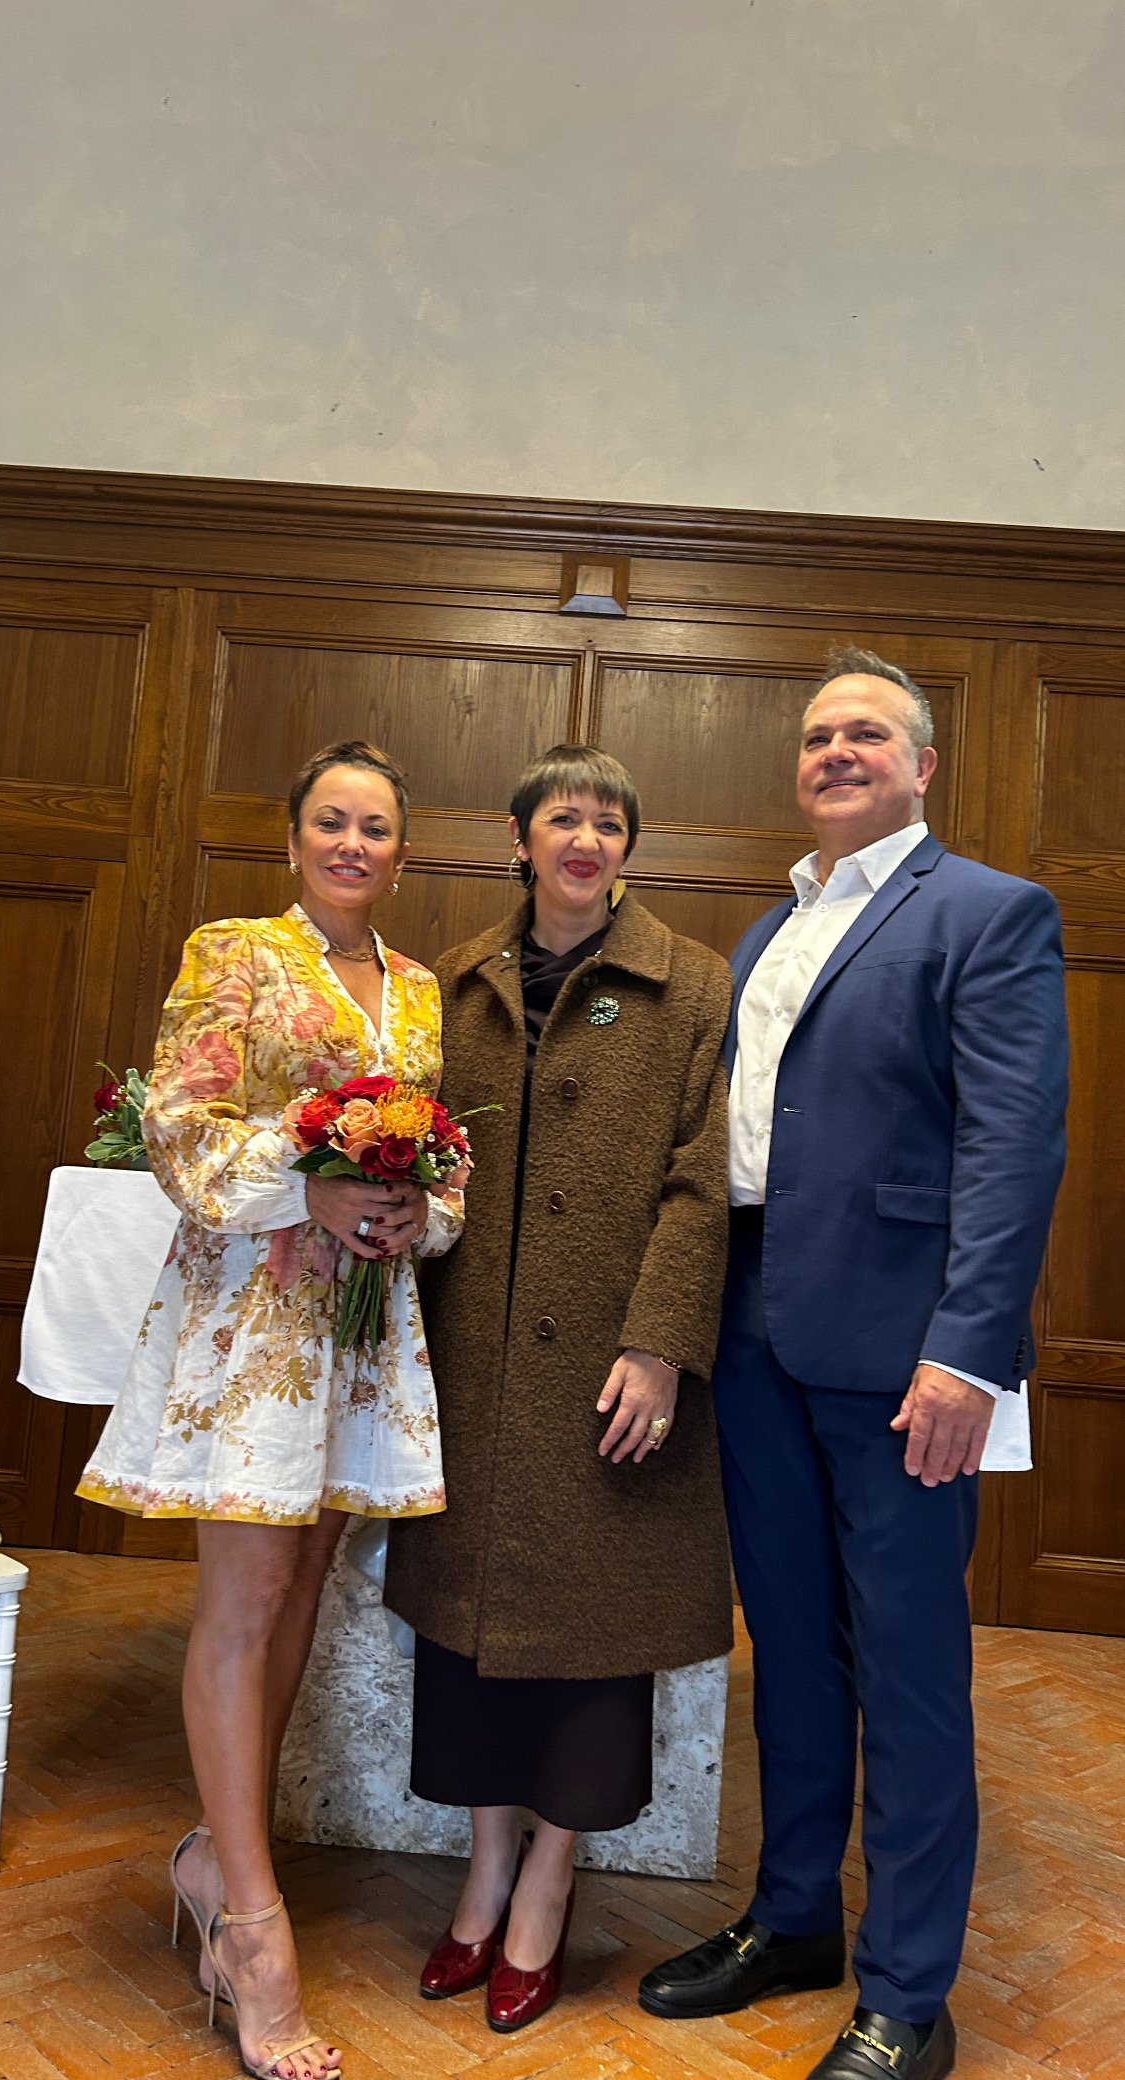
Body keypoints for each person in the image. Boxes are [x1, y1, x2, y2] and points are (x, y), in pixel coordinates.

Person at [639, 650, 1068, 2080]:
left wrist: (968, 1356)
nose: (836, 752)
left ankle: (906, 1992)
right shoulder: (770, 931)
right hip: (752, 1329)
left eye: (865, 734)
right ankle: (792, 1919)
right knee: (794, 1655)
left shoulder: (988, 913)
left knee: (908, 1668)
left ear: (921, 764)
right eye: (818, 735)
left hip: (901, 1356)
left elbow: (1012, 1153)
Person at [79, 741, 463, 2080]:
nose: (353, 843)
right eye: (331, 821)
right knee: (242, 1605)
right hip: (253, 1329)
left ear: (402, 852)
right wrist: (308, 1185)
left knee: (300, 1589)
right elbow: (184, 1136)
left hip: (360, 1332)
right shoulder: (232, 950)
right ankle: (253, 1930)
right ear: (293, 836)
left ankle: (206, 1855)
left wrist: (419, 1207)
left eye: (376, 827)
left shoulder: (417, 991)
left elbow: (443, 1150)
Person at [384, 743, 735, 2033]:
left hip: (609, 1370)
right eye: (561, 818)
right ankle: (481, 1868)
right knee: (468, 1636)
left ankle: (548, 1880)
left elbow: (706, 1181)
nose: (584, 837)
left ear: (628, 848)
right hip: (473, 1363)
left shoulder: (692, 985)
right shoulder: (457, 985)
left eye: (607, 821)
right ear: (520, 840)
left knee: (593, 1642)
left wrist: (658, 1340)